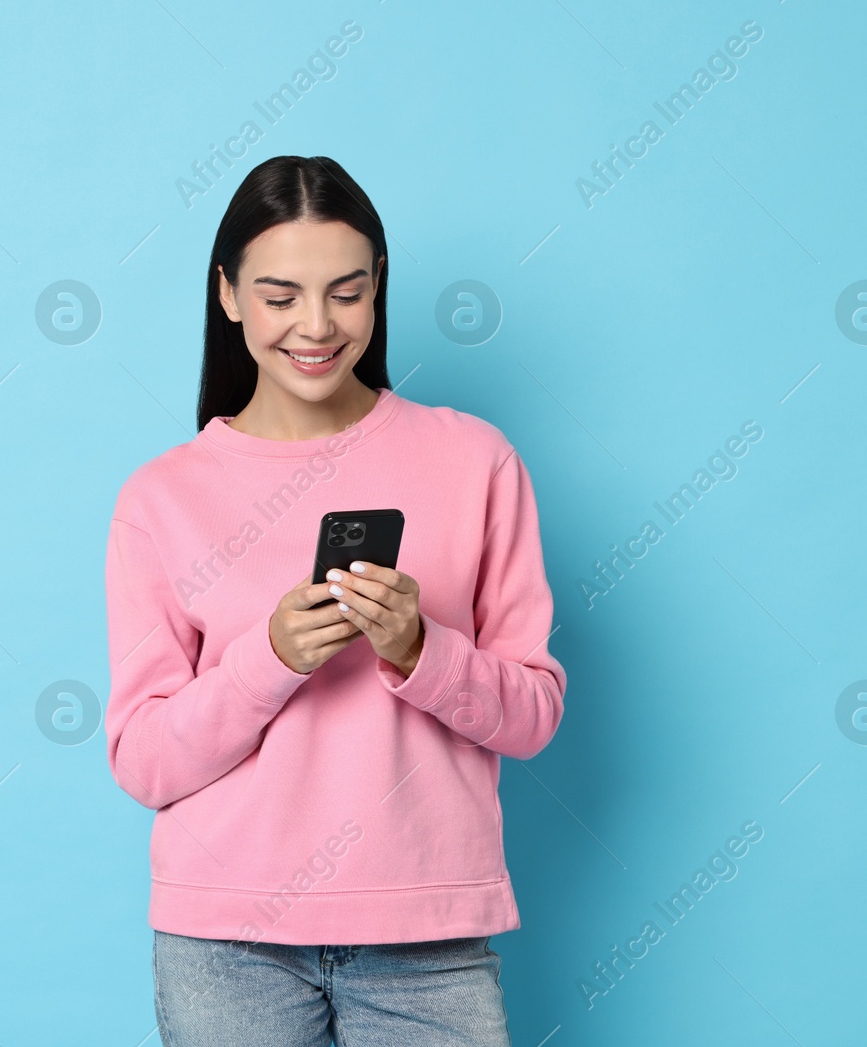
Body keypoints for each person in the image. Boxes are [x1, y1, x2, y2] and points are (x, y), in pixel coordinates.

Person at [103, 154, 567, 1046]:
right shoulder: (161, 498)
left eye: (345, 293)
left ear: (379, 286)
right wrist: (268, 659)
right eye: (279, 297)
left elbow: (535, 713)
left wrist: (420, 651)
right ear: (228, 294)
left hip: (427, 931)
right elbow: (144, 759)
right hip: (225, 943)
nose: (315, 326)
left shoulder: (475, 461)